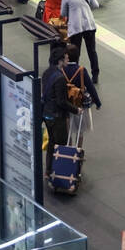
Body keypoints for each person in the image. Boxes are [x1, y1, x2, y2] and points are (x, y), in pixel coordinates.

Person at [40, 46, 80, 174]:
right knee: (61, 144)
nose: (67, 60)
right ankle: (59, 172)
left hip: (46, 114)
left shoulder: (46, 73)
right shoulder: (60, 78)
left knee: (52, 141)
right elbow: (61, 101)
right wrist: (76, 110)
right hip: (57, 116)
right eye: (66, 58)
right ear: (60, 61)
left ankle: (49, 170)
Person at [59, 0, 100, 82]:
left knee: (75, 52)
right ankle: (95, 74)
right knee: (92, 51)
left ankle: (75, 74)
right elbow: (96, 5)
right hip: (89, 25)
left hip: (76, 27)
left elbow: (63, 13)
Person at [63, 42, 101, 147]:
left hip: (66, 104)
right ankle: (78, 151)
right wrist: (97, 102)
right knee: (80, 131)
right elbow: (91, 87)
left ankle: (69, 149)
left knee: (68, 131)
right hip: (79, 104)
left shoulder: (62, 69)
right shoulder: (81, 70)